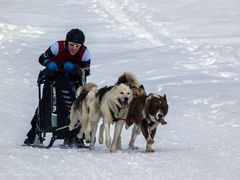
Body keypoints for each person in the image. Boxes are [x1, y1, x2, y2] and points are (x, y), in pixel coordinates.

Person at [24, 28, 91, 147]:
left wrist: (75, 68)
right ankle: (34, 136)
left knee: (76, 106)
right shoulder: (57, 46)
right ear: (66, 42)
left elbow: (86, 72)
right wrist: (48, 63)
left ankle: (76, 137)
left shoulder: (85, 53)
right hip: (53, 78)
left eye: (77, 45)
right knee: (45, 104)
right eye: (71, 44)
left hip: (72, 81)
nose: (74, 48)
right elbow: (42, 58)